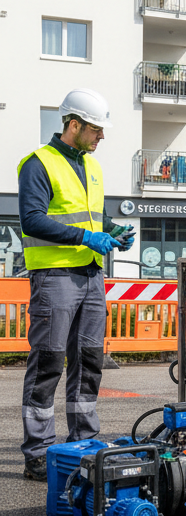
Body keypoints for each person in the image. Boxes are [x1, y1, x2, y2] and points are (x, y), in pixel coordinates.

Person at [17, 89, 133, 481]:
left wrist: (111, 229)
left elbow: (91, 216)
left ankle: (84, 440)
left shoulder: (92, 167)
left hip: (90, 276)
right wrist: (86, 238)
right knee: (48, 362)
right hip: (54, 279)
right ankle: (38, 451)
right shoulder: (38, 164)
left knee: (88, 362)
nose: (102, 137)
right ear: (74, 125)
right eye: (97, 130)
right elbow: (31, 220)